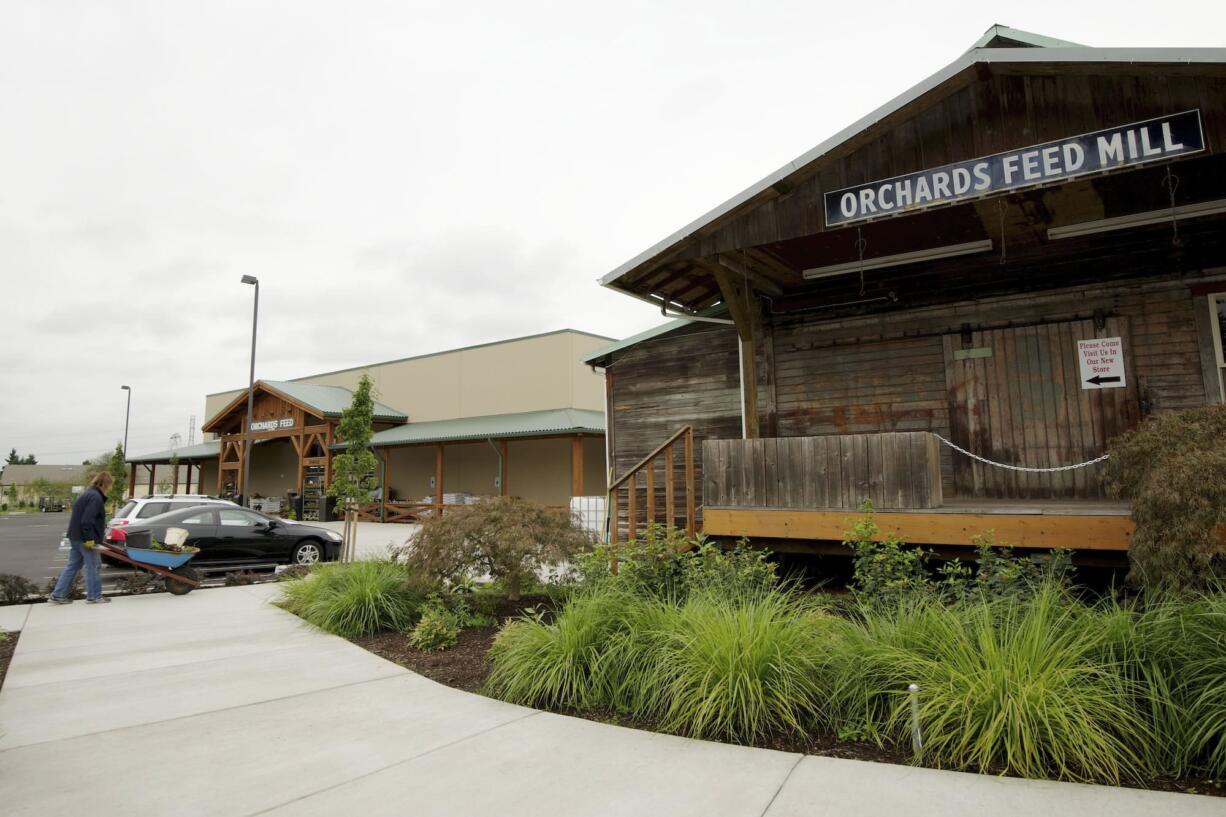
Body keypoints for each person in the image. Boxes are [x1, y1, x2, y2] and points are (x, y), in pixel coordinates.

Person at [49, 472, 114, 605]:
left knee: (73, 566)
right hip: (86, 539)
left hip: (75, 536)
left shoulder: (86, 494)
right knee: (93, 566)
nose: (108, 488)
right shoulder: (95, 497)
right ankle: (94, 596)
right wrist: (90, 538)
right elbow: (86, 521)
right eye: (108, 485)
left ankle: (58, 595)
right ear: (103, 484)